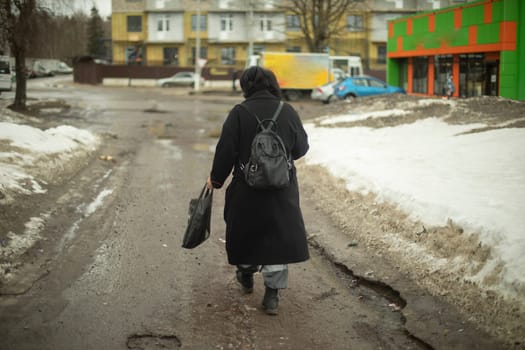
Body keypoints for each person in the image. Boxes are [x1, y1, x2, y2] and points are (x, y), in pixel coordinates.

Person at [207, 66, 310, 315]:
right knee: (277, 239)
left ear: (245, 86)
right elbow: (301, 149)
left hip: (246, 190)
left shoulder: (239, 113)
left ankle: (245, 273)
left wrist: (216, 180)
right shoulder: (287, 111)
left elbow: (226, 151)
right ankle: (272, 297)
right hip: (281, 189)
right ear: (273, 84)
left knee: (245, 234)